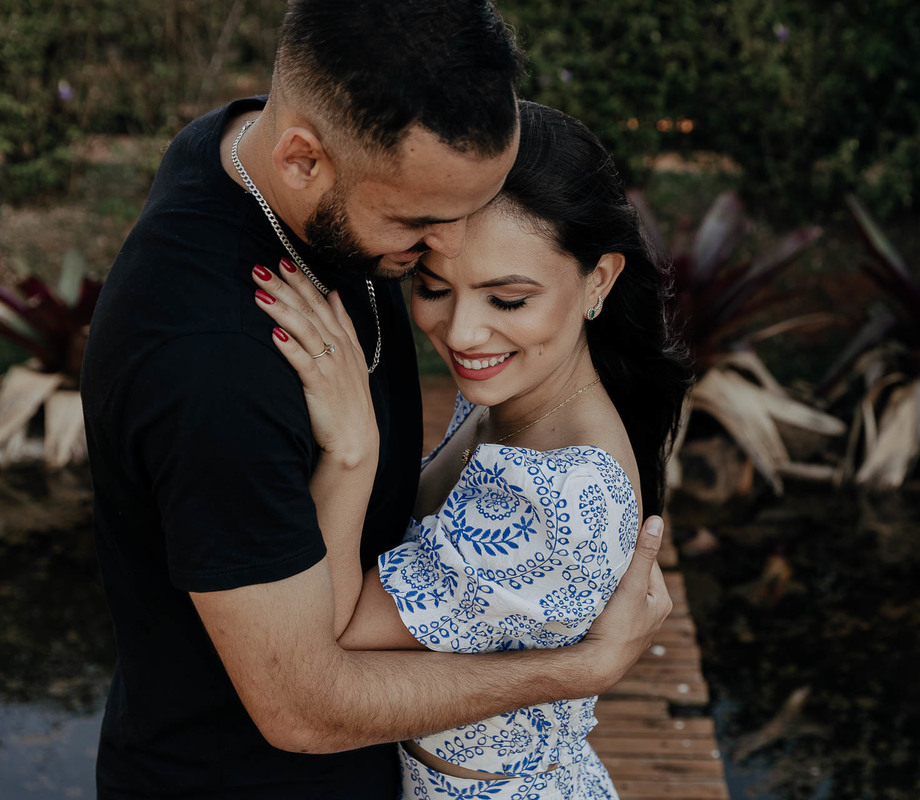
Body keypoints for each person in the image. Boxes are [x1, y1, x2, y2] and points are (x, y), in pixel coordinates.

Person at [79, 3, 672, 799]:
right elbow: (303, 706)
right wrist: (583, 668)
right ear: (300, 159)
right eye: (421, 225)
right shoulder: (213, 369)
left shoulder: (246, 155)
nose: (449, 245)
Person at [252, 100, 693, 797]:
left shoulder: (559, 497)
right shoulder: (510, 401)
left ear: (599, 280)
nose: (461, 334)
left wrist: (351, 450)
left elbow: (328, 638)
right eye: (432, 288)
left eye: (507, 300)